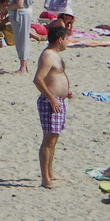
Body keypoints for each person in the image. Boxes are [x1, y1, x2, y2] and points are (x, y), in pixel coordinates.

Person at [34, 22, 72, 189]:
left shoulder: (55, 55)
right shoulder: (47, 55)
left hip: (59, 101)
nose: (67, 42)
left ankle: (51, 172)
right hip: (51, 102)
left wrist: (66, 92)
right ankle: (45, 179)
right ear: (59, 39)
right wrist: (52, 98)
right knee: (48, 141)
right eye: (66, 39)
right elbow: (38, 79)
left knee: (54, 139)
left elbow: (55, 76)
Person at [9, 0, 35, 74]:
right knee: (22, 39)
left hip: (22, 14)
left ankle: (23, 67)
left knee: (21, 40)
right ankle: (25, 66)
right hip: (25, 13)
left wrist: (7, 8)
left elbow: (19, 3)